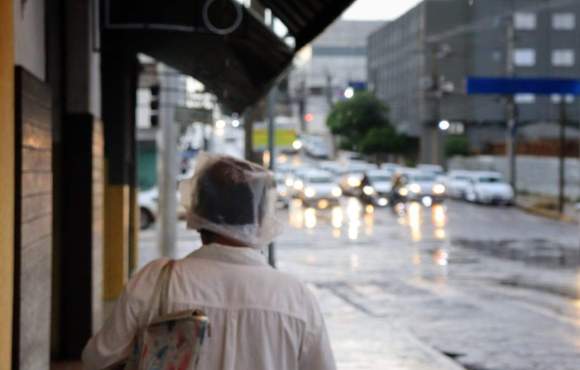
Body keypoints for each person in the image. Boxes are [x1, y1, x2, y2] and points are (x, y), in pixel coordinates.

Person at [82, 153, 336, 370]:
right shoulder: (296, 298)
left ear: (197, 213)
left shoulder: (155, 281)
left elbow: (97, 359)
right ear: (260, 217)